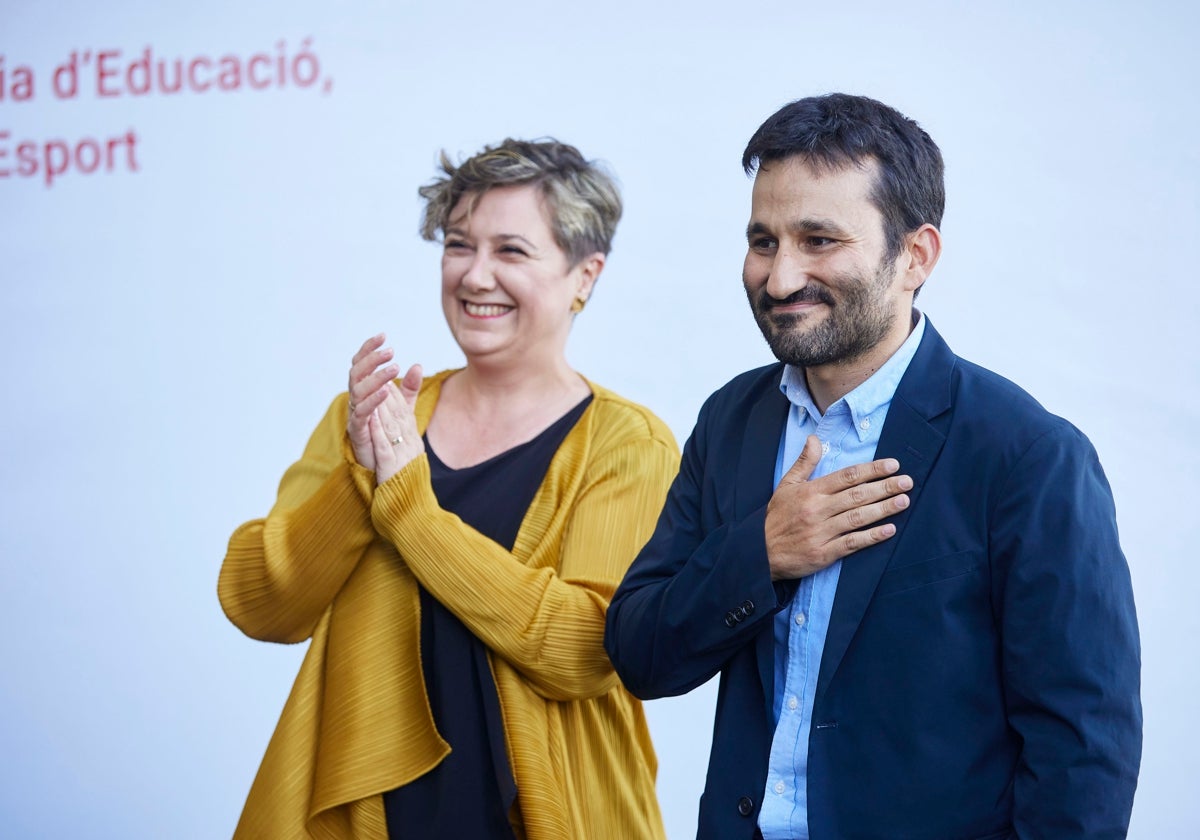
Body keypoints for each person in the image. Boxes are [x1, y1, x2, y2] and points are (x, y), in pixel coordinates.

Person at [604, 93, 1142, 839]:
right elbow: (639, 656)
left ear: (915, 257)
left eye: (819, 240)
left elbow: (1083, 752)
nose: (780, 277)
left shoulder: (1028, 455)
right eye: (764, 241)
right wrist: (759, 554)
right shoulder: (732, 420)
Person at [219, 138, 678, 840]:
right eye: (459, 245)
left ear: (585, 276)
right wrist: (357, 478)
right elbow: (261, 604)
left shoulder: (627, 445)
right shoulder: (367, 421)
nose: (475, 275)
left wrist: (407, 508)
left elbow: (586, 650)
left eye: (512, 251)